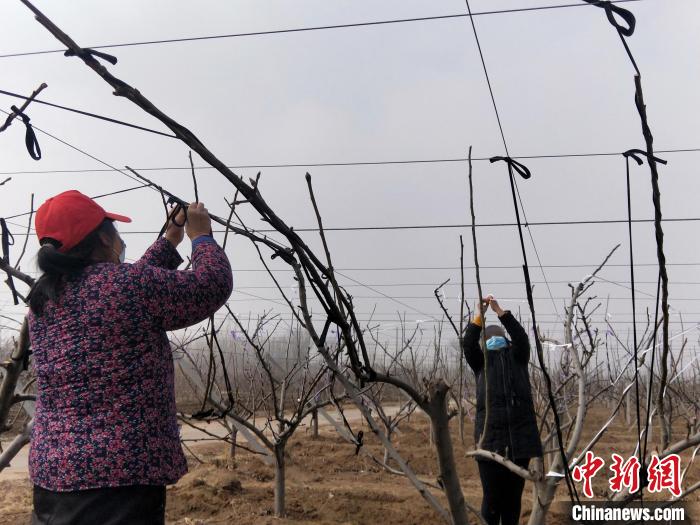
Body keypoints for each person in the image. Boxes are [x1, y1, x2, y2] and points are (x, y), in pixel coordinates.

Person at [27, 190, 233, 525]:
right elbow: (210, 285)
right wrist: (202, 238)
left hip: (54, 476)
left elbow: (125, 293)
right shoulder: (126, 288)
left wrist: (169, 240)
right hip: (119, 482)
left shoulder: (43, 301)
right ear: (105, 238)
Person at [463, 295, 542, 525]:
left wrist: (500, 312)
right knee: (491, 501)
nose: (494, 341)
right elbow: (468, 344)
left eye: (498, 338)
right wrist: (479, 316)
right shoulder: (480, 362)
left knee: (512, 502)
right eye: (490, 338)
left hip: (520, 442)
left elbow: (522, 337)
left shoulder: (518, 357)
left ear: (506, 340)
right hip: (490, 442)